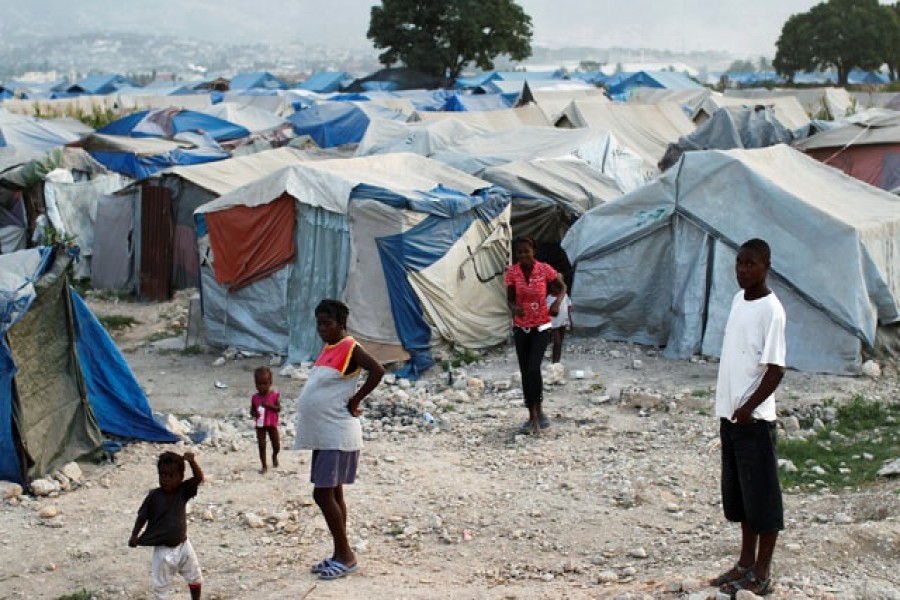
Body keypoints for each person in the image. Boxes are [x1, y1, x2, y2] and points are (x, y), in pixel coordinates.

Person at [710, 238, 786, 598]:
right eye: (738, 263)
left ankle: (762, 573)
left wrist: (748, 408)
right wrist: (730, 409)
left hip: (753, 422)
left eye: (750, 264)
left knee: (763, 500)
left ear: (766, 266)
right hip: (730, 417)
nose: (742, 270)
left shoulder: (773, 310)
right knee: (740, 498)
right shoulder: (738, 300)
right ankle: (744, 563)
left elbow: (775, 370)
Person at [294, 299, 384, 580]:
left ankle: (346, 555)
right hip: (324, 433)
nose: (322, 329)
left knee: (322, 494)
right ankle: (339, 553)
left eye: (327, 323)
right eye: (319, 323)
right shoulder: (330, 348)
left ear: (340, 323)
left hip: (336, 432)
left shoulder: (349, 346)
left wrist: (356, 399)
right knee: (334, 493)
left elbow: (377, 370)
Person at [505, 235, 566, 435]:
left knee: (533, 367)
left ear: (533, 252)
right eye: (519, 252)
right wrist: (515, 309)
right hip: (521, 327)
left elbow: (561, 287)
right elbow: (510, 299)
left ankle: (538, 410)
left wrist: (556, 304)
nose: (523, 255)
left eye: (526, 251)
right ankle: (532, 413)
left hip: (541, 326)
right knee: (525, 371)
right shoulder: (513, 273)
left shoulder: (544, 270)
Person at [129, 451, 205, 600]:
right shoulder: (154, 496)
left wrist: (192, 462)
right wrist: (134, 535)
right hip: (163, 551)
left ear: (180, 477)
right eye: (162, 475)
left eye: (171, 476)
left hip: (183, 545)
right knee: (160, 588)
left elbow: (198, 478)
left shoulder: (182, 492)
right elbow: (142, 516)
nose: (165, 480)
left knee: (195, 577)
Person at [250, 366, 281, 474]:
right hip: (260, 425)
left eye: (265, 384)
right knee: (261, 445)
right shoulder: (255, 397)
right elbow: (252, 411)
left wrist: (269, 406)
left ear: (270, 383)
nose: (262, 387)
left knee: (276, 444)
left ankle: (274, 455)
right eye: (259, 384)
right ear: (255, 384)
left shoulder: (274, 395)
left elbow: (278, 409)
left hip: (271, 423)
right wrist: (255, 413)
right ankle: (264, 465)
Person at [546, 278, 573, 364]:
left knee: (560, 342)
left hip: (563, 322)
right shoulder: (549, 298)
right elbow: (546, 311)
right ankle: (554, 361)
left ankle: (557, 359)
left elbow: (568, 307)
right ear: (550, 287)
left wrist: (570, 320)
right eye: (554, 286)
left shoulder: (565, 296)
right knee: (557, 342)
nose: (556, 288)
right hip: (554, 324)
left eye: (558, 286)